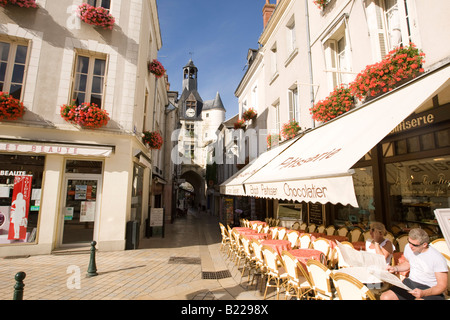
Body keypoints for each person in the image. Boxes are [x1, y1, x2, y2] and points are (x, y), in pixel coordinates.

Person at [381, 228, 448, 300]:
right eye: (409, 242)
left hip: (430, 288)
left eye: (414, 244)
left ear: (424, 244)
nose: (410, 246)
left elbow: (442, 286)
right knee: (385, 297)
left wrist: (423, 293)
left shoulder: (437, 258)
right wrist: (395, 268)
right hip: (411, 283)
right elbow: (407, 263)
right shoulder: (409, 247)